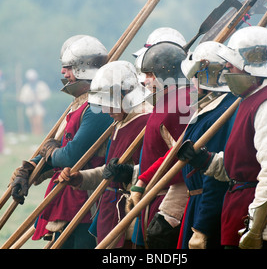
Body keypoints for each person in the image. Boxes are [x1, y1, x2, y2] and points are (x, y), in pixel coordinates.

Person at [182, 26, 267, 249]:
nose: (227, 70)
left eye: (231, 65)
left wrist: (255, 227)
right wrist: (207, 161)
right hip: (240, 209)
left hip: (260, 219)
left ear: (249, 67)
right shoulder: (250, 99)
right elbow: (242, 166)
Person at [10, 35, 113, 249]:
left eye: (68, 67)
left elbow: (70, 155)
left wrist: (51, 153)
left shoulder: (98, 107)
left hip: (88, 200)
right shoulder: (81, 103)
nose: (63, 73)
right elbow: (56, 146)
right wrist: (29, 169)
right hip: (68, 196)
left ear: (84, 68)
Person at [58, 60, 153, 248]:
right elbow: (110, 170)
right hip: (111, 213)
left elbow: (158, 168)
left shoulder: (146, 121)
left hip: (133, 211)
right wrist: (81, 178)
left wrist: (130, 173)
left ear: (124, 96)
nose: (105, 110)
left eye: (109, 103)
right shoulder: (120, 121)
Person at [127, 40, 195, 248]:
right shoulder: (167, 98)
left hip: (169, 191)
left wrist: (144, 181)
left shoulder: (182, 101)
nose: (145, 81)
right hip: (155, 189)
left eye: (150, 74)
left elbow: (179, 155)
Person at [175, 41, 237, 249]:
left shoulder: (222, 114)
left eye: (195, 76)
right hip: (196, 204)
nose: (192, 82)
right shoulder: (210, 107)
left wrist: (202, 227)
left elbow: (215, 179)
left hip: (209, 208)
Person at [18, 69, 51, 135]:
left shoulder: (41, 85)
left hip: (39, 106)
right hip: (30, 107)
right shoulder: (26, 87)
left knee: (39, 122)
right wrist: (27, 101)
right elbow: (22, 98)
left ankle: (40, 134)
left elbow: (47, 94)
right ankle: (35, 134)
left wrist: (40, 98)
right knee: (33, 123)